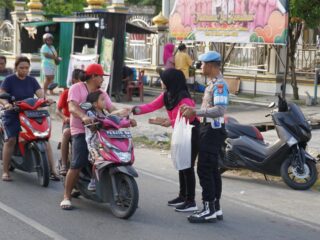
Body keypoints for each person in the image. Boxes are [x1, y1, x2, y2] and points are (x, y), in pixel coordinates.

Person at [60, 63, 134, 210]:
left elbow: (111, 110)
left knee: (112, 154)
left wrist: (125, 117)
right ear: (93, 76)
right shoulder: (77, 88)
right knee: (78, 162)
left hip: (100, 130)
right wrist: (83, 117)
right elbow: (72, 107)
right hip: (80, 130)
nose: (102, 80)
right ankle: (66, 196)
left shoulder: (102, 93)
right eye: (101, 77)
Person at [132, 68, 200, 212]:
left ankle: (191, 201)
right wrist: (134, 110)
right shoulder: (167, 95)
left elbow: (191, 116)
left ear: (171, 81)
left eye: (163, 79)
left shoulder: (184, 97)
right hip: (180, 132)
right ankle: (182, 196)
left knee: (187, 166)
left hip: (191, 132)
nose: (161, 82)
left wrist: (171, 121)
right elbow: (150, 106)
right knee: (181, 165)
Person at [181, 51, 229, 223]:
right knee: (212, 169)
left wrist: (196, 111)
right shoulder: (212, 84)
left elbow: (220, 110)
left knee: (204, 169)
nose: (201, 67)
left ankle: (208, 209)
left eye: (203, 64)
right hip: (208, 128)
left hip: (212, 130)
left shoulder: (220, 85)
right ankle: (215, 208)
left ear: (211, 65)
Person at [0, 56, 59, 181]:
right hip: (12, 113)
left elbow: (40, 94)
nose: (24, 70)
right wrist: (6, 104)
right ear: (16, 68)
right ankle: (5, 171)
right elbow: (2, 95)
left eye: (27, 68)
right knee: (10, 140)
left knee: (44, 137)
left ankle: (53, 169)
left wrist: (45, 100)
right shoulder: (9, 80)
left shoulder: (32, 80)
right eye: (21, 68)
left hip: (29, 113)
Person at [56, 69, 85, 176]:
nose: (83, 84)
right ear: (74, 81)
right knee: (67, 132)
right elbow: (57, 111)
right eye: (80, 81)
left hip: (85, 122)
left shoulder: (89, 92)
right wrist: (65, 118)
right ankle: (64, 163)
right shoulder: (66, 93)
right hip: (69, 123)